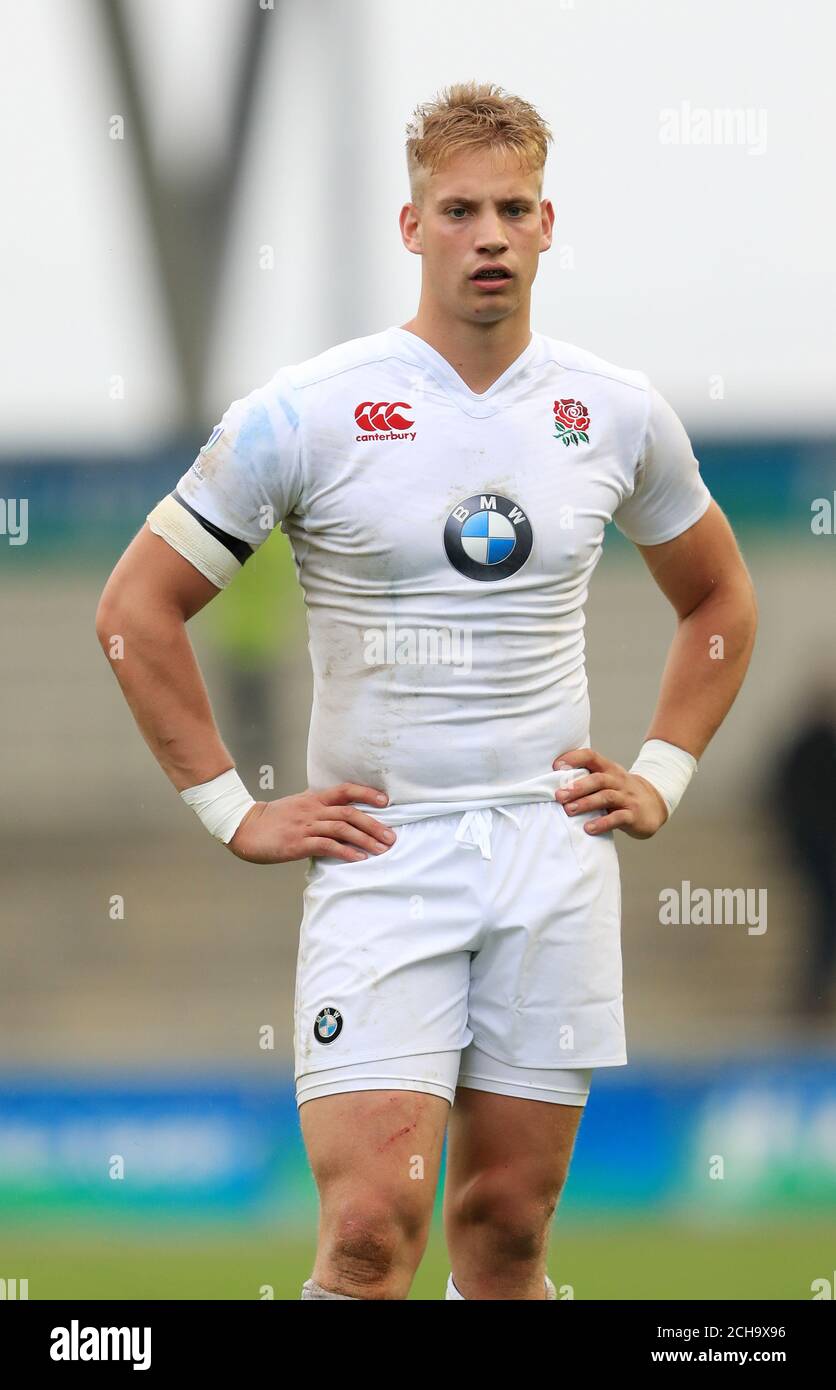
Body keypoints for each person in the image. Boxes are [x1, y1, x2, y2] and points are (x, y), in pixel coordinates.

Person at [95, 81, 758, 1300]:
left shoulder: (611, 412)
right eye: (459, 209)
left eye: (512, 208)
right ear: (413, 229)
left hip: (547, 855)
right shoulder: (304, 414)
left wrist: (660, 772)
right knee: (364, 1234)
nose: (489, 234)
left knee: (504, 1231)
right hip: (384, 856)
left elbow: (718, 603)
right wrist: (232, 809)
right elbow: (135, 613)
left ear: (548, 224)